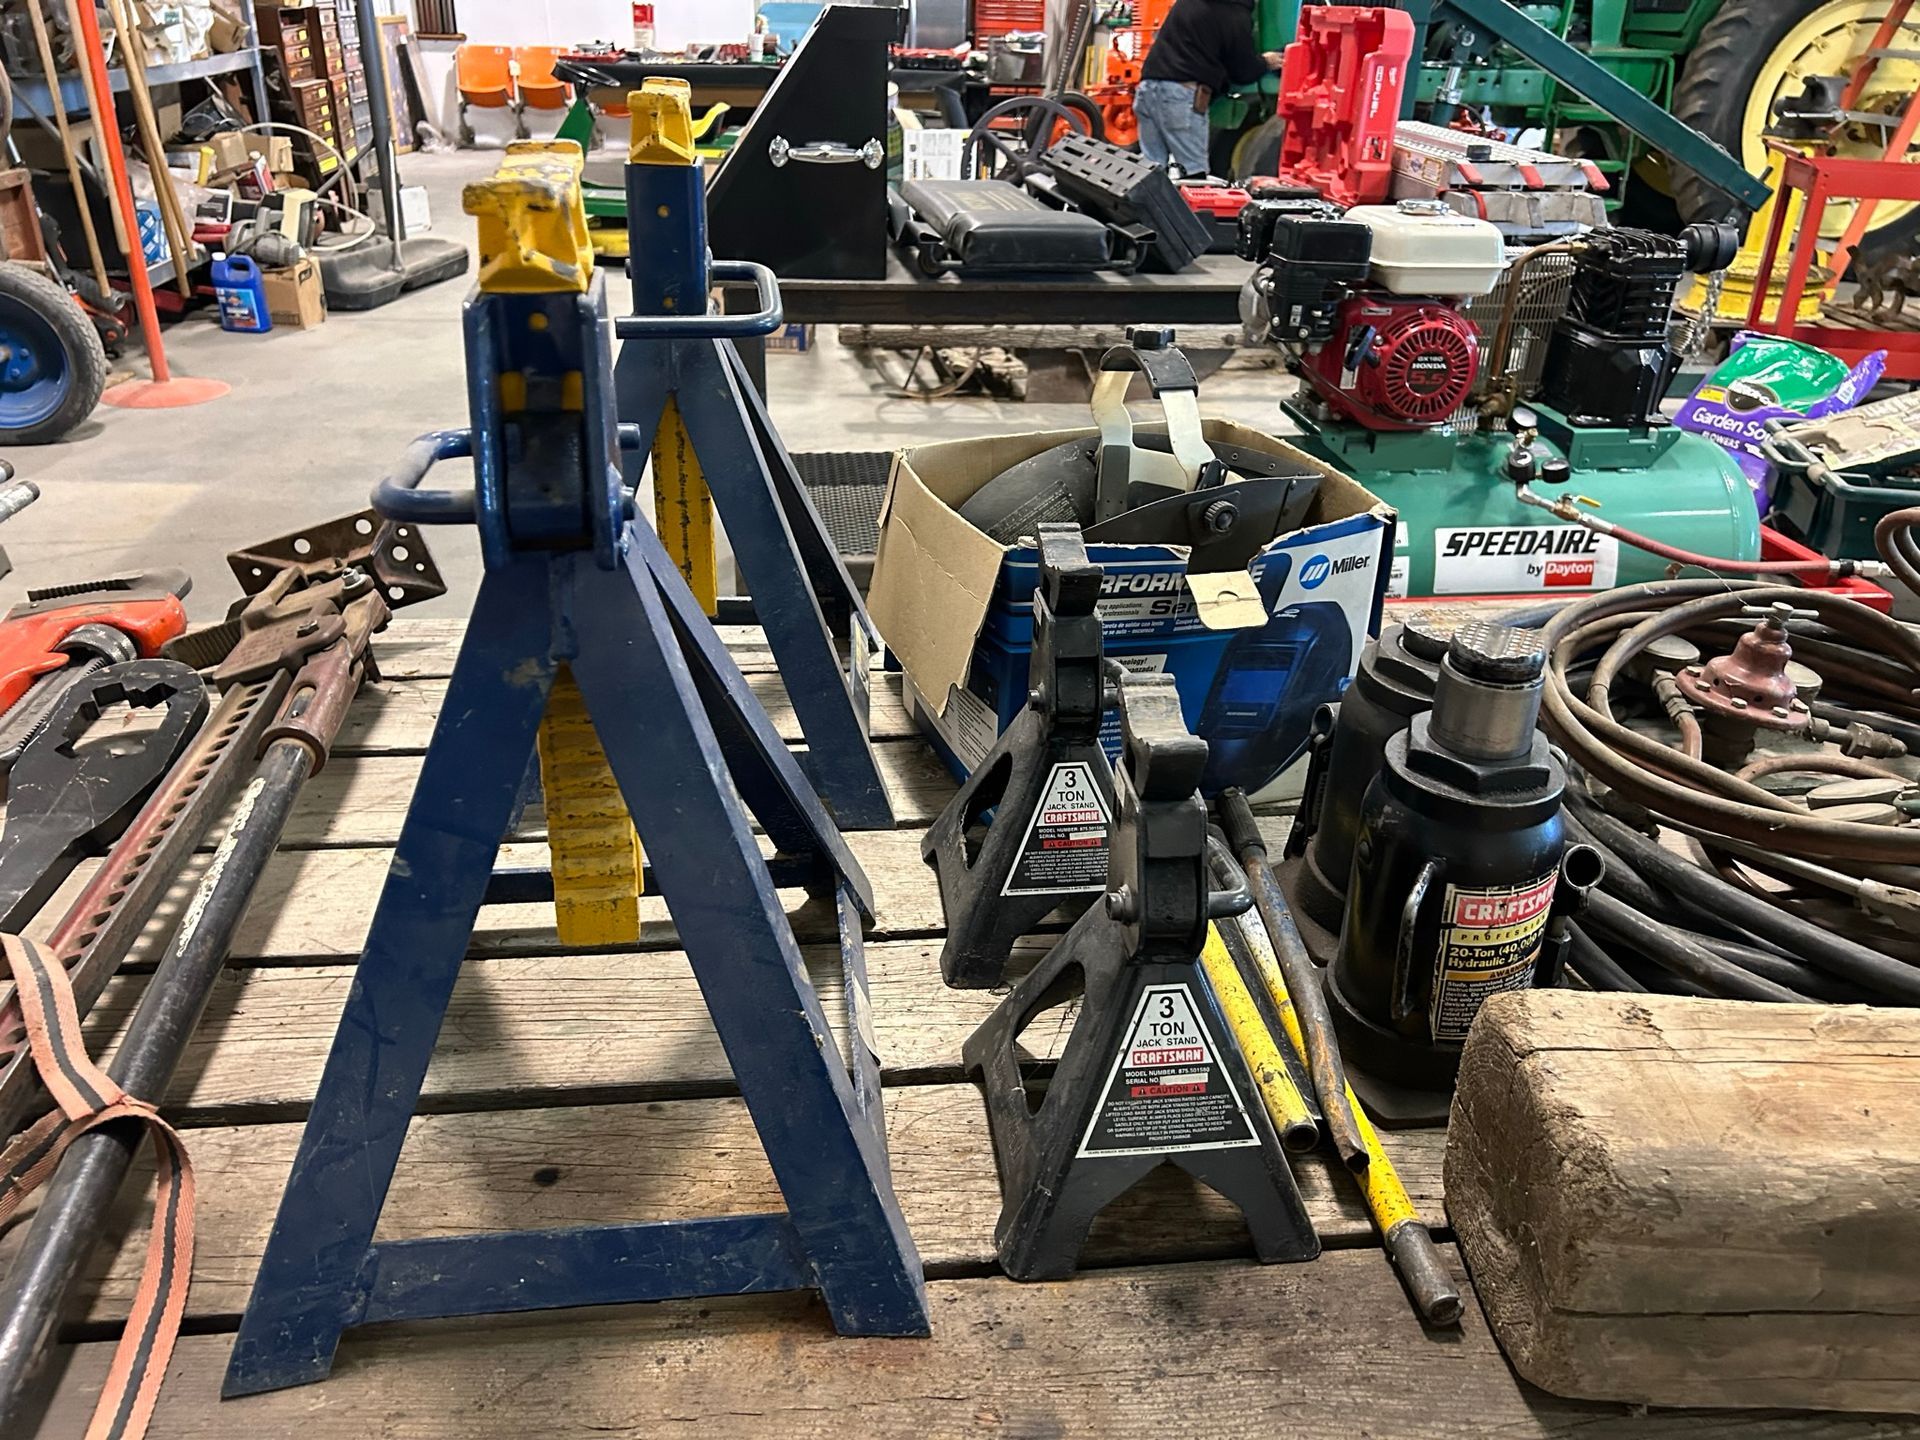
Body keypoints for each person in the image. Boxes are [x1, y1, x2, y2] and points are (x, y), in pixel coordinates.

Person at [1135, 0, 1284, 177]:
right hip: (1182, 96)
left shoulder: (1189, 3)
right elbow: (1243, 71)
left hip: (1147, 89)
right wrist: (1266, 62)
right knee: (1194, 174)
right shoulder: (1233, 12)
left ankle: (1144, 205)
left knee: (1149, 172)